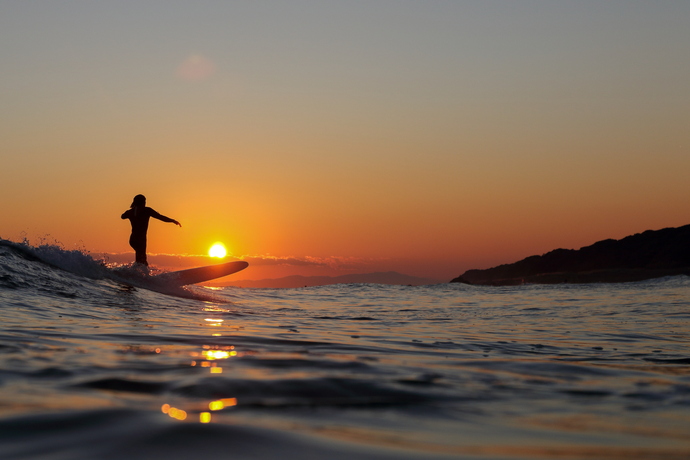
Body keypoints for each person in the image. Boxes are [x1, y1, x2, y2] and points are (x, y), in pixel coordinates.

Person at [121, 194, 181, 266]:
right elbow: (160, 217)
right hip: (141, 239)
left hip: (133, 239)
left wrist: (132, 210)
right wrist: (173, 221)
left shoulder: (130, 212)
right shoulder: (147, 210)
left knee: (140, 259)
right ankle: (141, 275)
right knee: (142, 260)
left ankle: (137, 274)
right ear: (143, 202)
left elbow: (122, 216)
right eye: (145, 201)